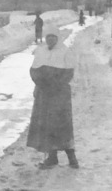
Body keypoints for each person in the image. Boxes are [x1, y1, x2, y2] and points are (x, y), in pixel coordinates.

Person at [27, 25, 79, 168]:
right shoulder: (41, 51)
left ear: (58, 38)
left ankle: (72, 157)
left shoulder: (65, 52)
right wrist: (41, 84)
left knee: (63, 125)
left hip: (60, 95)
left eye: (53, 37)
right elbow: (34, 71)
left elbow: (68, 74)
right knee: (46, 126)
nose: (50, 39)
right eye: (48, 36)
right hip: (44, 93)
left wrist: (54, 86)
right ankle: (52, 156)